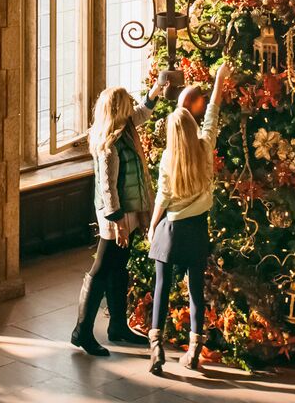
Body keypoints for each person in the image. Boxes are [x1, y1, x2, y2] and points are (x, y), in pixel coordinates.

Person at [146, 60, 232, 374]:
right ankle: (194, 350)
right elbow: (213, 112)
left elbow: (162, 197)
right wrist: (220, 79)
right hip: (197, 229)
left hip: (170, 229)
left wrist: (153, 226)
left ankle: (156, 351)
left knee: (161, 288)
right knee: (196, 290)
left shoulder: (169, 157)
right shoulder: (205, 147)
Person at [70, 86, 152, 356]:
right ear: (118, 110)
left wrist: (157, 91)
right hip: (114, 215)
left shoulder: (125, 128)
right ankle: (82, 330)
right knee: (102, 269)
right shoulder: (108, 144)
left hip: (126, 212)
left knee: (119, 267)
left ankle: (118, 325)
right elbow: (108, 187)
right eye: (127, 104)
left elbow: (143, 113)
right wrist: (117, 222)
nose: (132, 107)